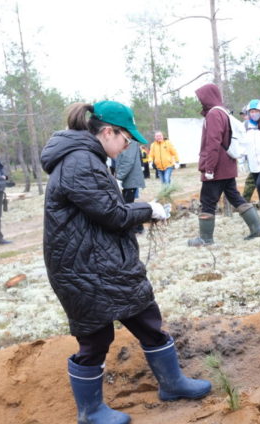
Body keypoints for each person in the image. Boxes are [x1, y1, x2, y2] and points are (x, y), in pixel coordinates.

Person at [40, 101, 211, 424]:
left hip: (107, 262)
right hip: (80, 267)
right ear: (108, 132)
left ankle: (173, 384)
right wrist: (149, 210)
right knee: (95, 338)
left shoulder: (89, 159)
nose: (127, 145)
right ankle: (90, 412)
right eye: (126, 139)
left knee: (147, 318)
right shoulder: (79, 162)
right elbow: (113, 214)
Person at [188, 83, 260, 246]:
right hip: (227, 166)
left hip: (216, 167)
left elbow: (213, 143)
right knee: (235, 197)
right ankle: (257, 228)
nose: (200, 101)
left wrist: (209, 168)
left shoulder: (214, 114)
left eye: (201, 98)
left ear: (208, 97)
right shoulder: (222, 112)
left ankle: (205, 239)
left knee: (208, 200)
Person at [116, 138, 146, 235]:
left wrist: (119, 177)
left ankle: (138, 228)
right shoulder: (125, 140)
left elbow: (128, 161)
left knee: (128, 205)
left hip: (130, 179)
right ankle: (137, 228)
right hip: (127, 179)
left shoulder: (130, 141)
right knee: (129, 205)